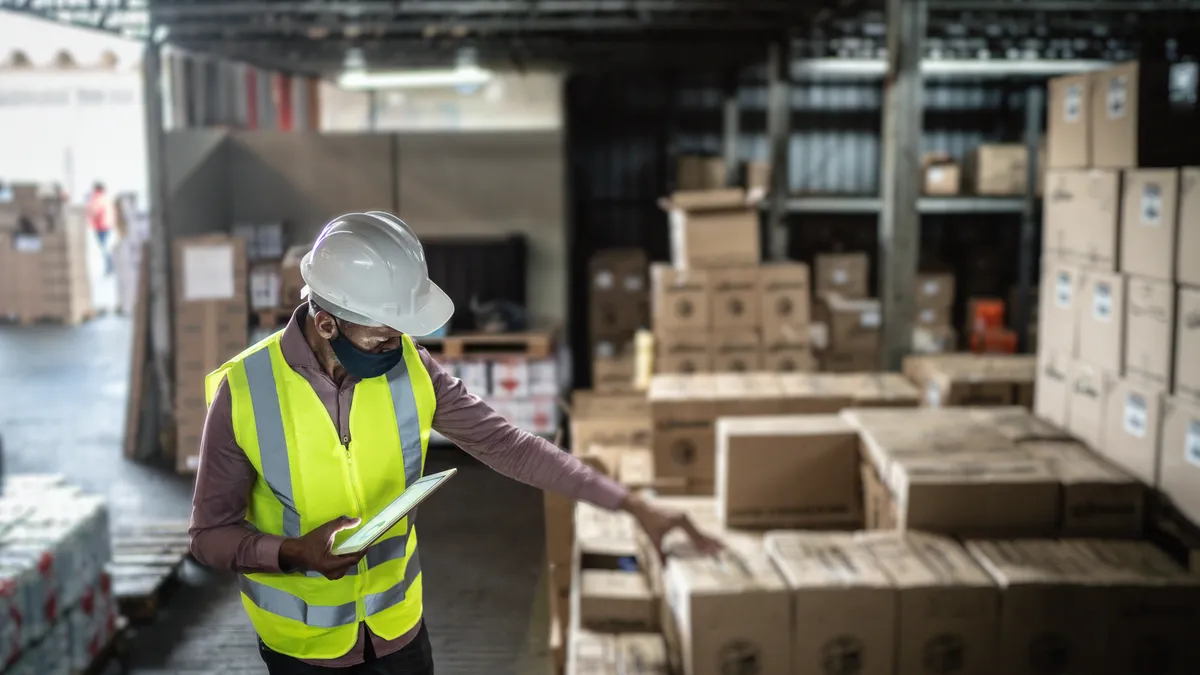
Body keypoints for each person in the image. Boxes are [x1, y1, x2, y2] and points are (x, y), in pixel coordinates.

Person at [189, 211, 721, 675]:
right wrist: (293, 553)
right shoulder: (244, 392)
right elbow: (209, 536)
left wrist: (630, 504)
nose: (397, 348)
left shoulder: (413, 370)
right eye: (382, 336)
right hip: (301, 653)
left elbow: (510, 446)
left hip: (399, 635)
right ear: (327, 322)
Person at [86, 182, 113, 275]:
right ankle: (110, 266)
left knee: (104, 248)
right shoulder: (106, 197)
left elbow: (95, 212)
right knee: (106, 247)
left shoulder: (96, 198)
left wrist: (92, 221)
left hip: (101, 226)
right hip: (108, 226)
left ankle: (110, 266)